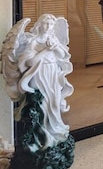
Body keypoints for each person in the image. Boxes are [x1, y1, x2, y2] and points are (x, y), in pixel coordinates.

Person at [9, 14, 74, 148]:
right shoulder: (33, 41)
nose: (48, 27)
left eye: (50, 24)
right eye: (45, 23)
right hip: (39, 75)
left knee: (54, 102)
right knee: (42, 104)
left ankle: (55, 131)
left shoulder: (53, 39)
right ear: (39, 24)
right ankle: (42, 138)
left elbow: (63, 55)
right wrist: (46, 50)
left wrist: (55, 47)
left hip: (53, 73)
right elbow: (30, 62)